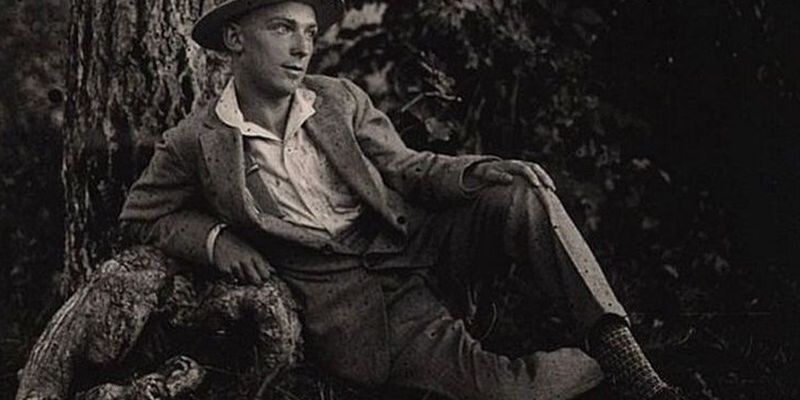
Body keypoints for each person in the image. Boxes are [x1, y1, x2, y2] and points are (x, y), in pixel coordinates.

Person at [120, 1, 684, 399]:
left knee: (522, 194)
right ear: (235, 39)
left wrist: (480, 170)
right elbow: (142, 215)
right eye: (282, 28)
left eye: (310, 32)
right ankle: (589, 370)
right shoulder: (196, 141)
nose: (302, 48)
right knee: (501, 390)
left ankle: (620, 350)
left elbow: (406, 167)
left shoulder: (337, 99)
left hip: (413, 237)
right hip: (359, 305)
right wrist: (216, 240)